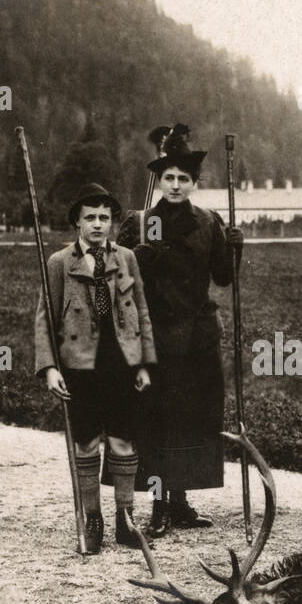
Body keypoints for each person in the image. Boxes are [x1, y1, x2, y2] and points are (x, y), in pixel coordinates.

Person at [115, 126, 244, 537]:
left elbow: (223, 277)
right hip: (156, 338)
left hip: (198, 336)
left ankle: (182, 501)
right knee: (156, 419)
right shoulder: (141, 223)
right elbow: (117, 278)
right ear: (160, 180)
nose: (175, 185)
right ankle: (157, 505)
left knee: (193, 417)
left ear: (194, 183)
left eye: (183, 179)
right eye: (168, 177)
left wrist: (235, 247)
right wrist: (135, 260)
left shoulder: (209, 223)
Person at [34, 184, 157, 554]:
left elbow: (142, 311)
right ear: (77, 223)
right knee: (86, 441)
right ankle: (92, 520)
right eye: (90, 217)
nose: (98, 225)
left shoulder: (126, 259)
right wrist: (50, 368)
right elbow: (44, 319)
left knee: (122, 438)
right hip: (79, 366)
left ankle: (126, 519)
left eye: (104, 218)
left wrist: (144, 362)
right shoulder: (58, 263)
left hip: (120, 362)